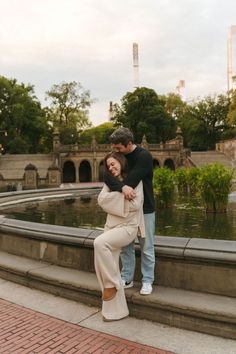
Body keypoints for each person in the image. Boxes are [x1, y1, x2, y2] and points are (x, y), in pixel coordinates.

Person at [104, 127, 155, 295]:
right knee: (126, 246)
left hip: (145, 207)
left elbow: (133, 179)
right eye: (114, 148)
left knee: (146, 246)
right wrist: (122, 186)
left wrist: (124, 185)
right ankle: (127, 277)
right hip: (124, 208)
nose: (115, 151)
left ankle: (147, 280)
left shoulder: (144, 156)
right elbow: (107, 176)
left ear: (129, 143)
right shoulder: (118, 156)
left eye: (118, 148)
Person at [94, 151, 145, 321]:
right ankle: (115, 312)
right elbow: (101, 200)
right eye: (108, 165)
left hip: (127, 228)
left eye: (113, 163)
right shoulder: (111, 182)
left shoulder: (134, 179)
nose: (111, 167)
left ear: (121, 162)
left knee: (99, 243)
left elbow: (137, 204)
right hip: (111, 227)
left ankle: (111, 286)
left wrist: (113, 201)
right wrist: (123, 193)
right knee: (107, 267)